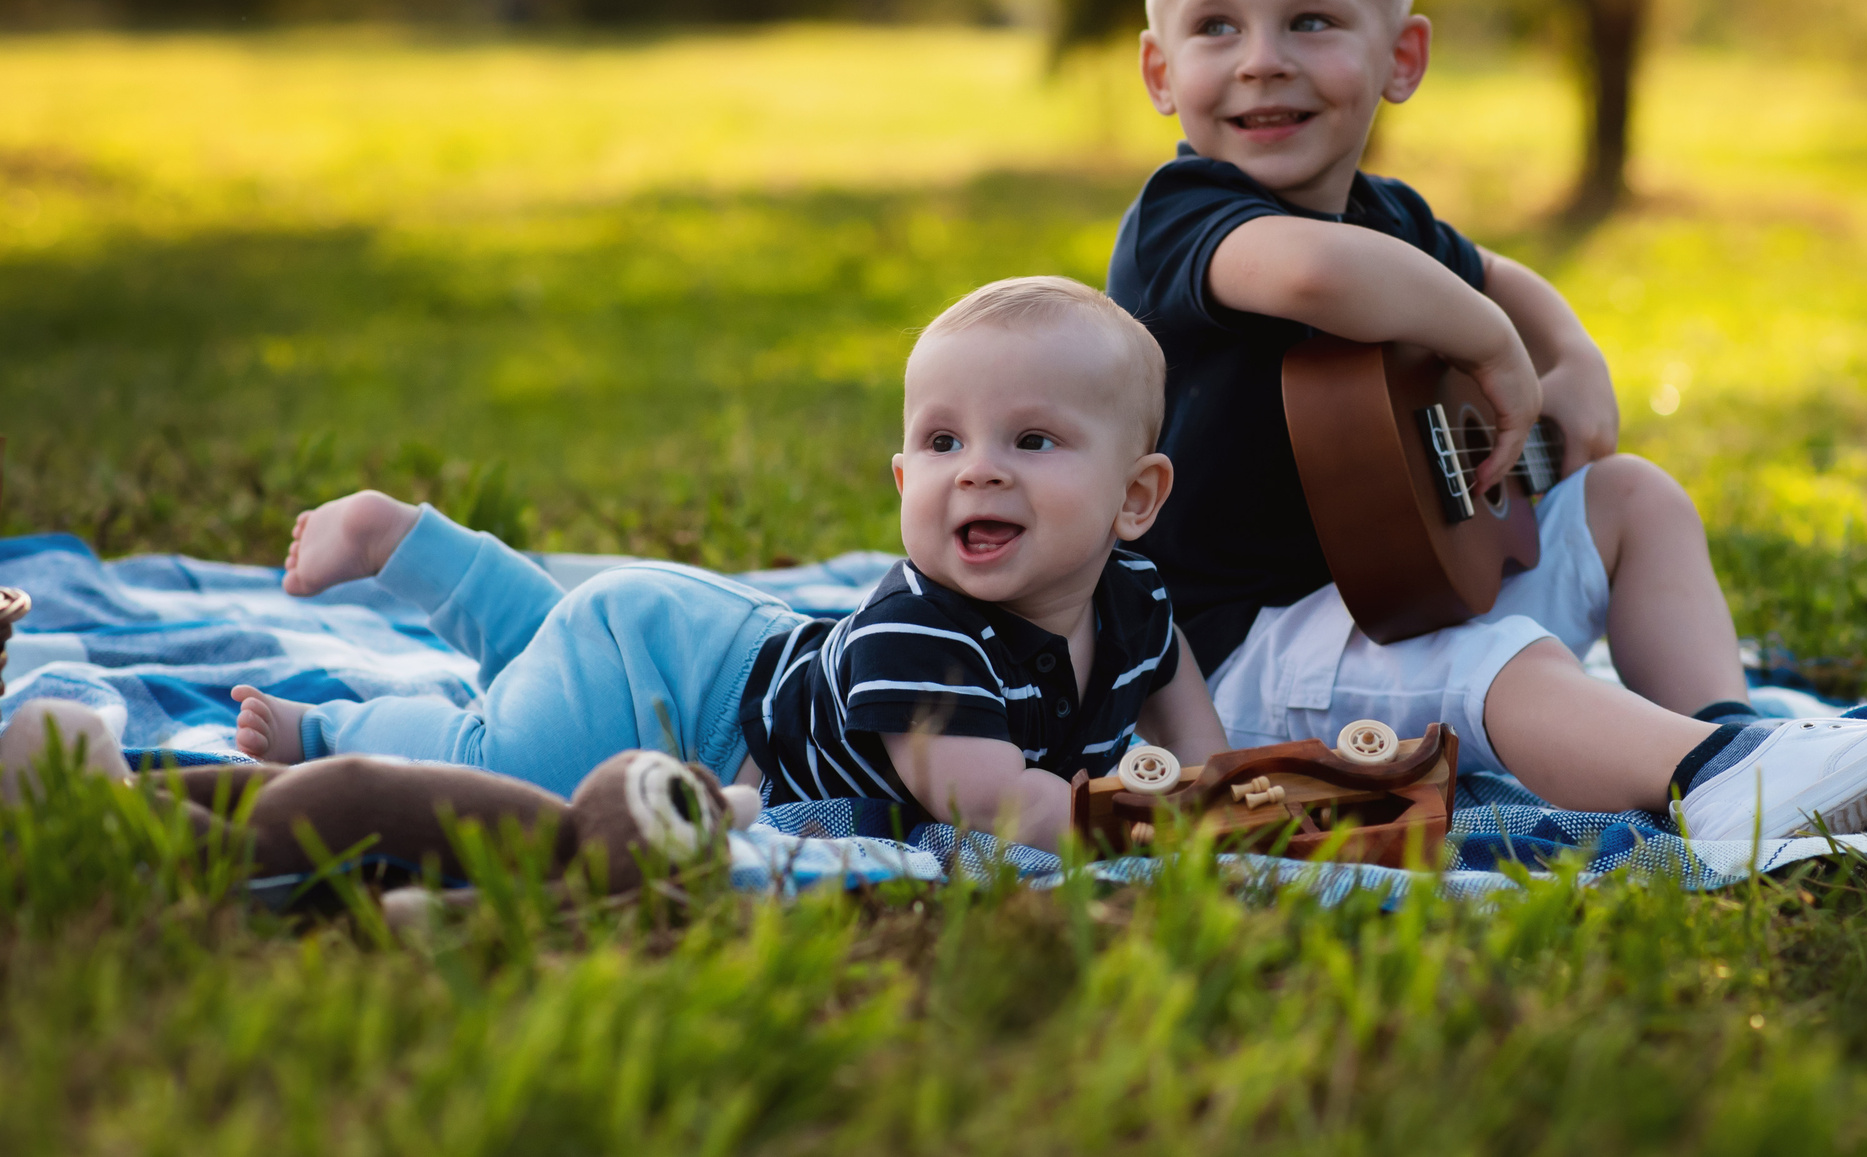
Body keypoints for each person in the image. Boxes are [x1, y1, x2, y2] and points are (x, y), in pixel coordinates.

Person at [1107, 0, 1867, 841]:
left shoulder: (1391, 216)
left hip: (1415, 586)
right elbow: (1310, 270)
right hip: (1239, 662)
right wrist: (1489, 342)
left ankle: (1730, 735)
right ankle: (1705, 782)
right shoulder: (1182, 214)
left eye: (1310, 21)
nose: (1263, 62)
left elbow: (1501, 276)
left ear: (1402, 57)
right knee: (1499, 665)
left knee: (1634, 498)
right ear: (1160, 71)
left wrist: (1573, 361)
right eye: (1217, 28)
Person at [231, 277, 1228, 850]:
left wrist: (1216, 778)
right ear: (900, 474)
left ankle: (417, 549)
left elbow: (1176, 696)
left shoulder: (1131, 594)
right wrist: (1151, 824)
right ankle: (335, 718)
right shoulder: (921, 639)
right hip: (686, 699)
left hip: (701, 640)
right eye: (941, 443)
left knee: (553, 647)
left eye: (1032, 441)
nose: (977, 474)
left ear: (1134, 498)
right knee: (503, 762)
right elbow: (992, 802)